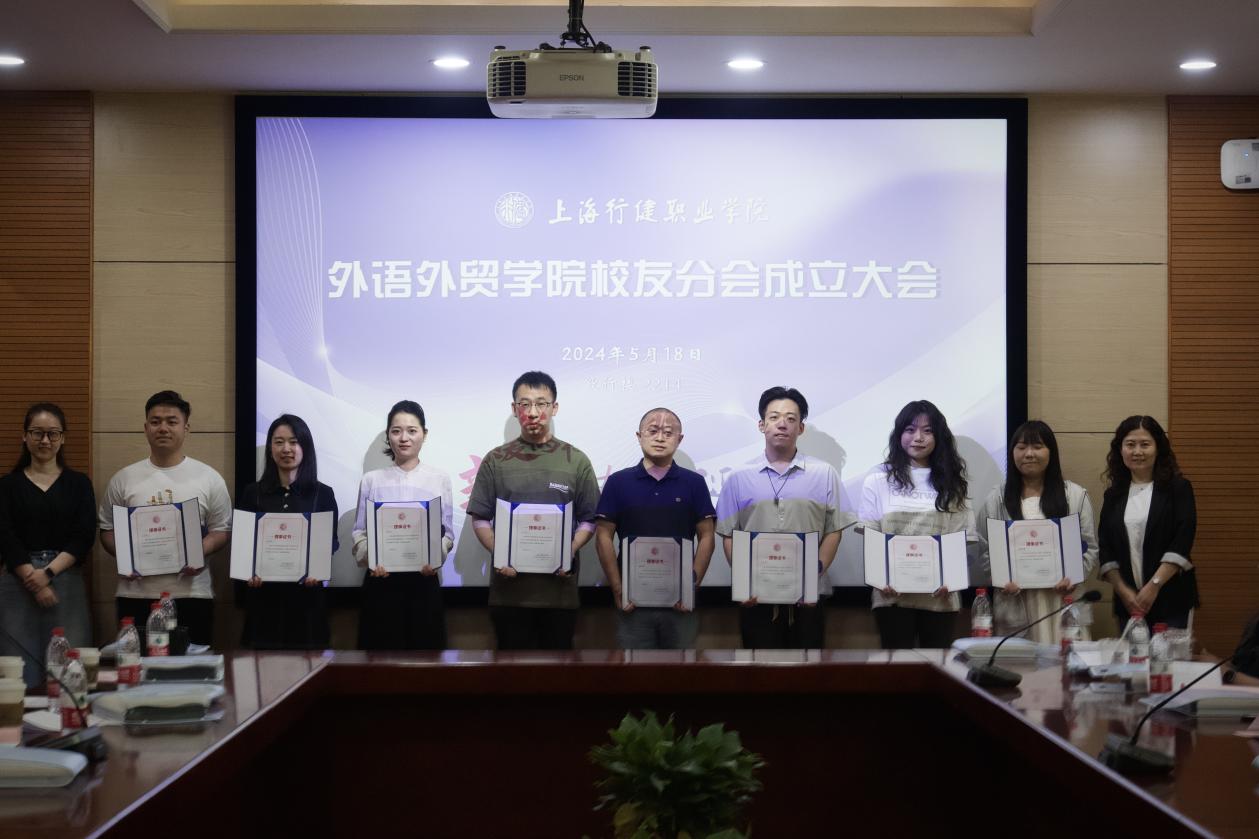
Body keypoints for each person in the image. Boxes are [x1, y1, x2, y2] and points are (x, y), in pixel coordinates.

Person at [467, 371, 600, 650]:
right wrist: (500, 554)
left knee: (558, 671)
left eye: (541, 403)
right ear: (514, 408)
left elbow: (589, 520)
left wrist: (568, 550)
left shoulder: (576, 460)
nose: (533, 412)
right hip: (509, 595)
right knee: (512, 672)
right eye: (525, 404)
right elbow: (480, 518)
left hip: (560, 595)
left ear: (555, 407)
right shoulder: (495, 460)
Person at [99, 390, 232, 648]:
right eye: (156, 421)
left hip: (192, 594)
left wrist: (197, 552)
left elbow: (221, 530)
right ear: (146, 428)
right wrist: (126, 556)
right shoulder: (124, 479)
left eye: (172, 421)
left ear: (186, 428)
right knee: (135, 666)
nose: (163, 428)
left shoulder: (209, 478)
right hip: (135, 595)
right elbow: (106, 529)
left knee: (192, 668)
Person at [715, 387, 844, 649]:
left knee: (808, 668)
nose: (782, 424)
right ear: (761, 425)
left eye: (791, 418)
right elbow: (729, 534)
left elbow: (834, 530)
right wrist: (743, 580)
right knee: (760, 670)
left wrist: (813, 575)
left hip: (808, 596)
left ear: (801, 428)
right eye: (774, 417)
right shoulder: (738, 476)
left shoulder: (824, 473)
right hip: (756, 596)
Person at [595, 408, 716, 649]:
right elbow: (603, 536)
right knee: (635, 669)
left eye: (668, 433)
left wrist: (691, 587)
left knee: (681, 668)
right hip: (632, 603)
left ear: (679, 439)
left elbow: (707, 536)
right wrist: (618, 589)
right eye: (653, 431)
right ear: (639, 436)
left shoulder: (694, 482)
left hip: (680, 603)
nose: (660, 438)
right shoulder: (618, 482)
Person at [859, 399, 974, 649]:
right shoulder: (878, 478)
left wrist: (951, 579)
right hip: (891, 596)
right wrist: (881, 579)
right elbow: (871, 535)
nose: (918, 438)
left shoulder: (953, 484)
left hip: (941, 596)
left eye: (927, 431)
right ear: (899, 434)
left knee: (937, 668)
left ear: (938, 436)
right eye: (910, 430)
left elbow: (960, 538)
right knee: (897, 668)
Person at [977, 420, 1099, 644]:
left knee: (1064, 660)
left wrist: (1074, 576)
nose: (1029, 454)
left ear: (1051, 452)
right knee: (1021, 662)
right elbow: (986, 549)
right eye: (1022, 447)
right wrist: (1000, 578)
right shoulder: (996, 499)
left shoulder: (1075, 496)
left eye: (1037, 446)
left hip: (1062, 599)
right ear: (1012, 453)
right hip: (1016, 601)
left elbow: (1089, 546)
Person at [0, 403, 95, 688]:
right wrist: (34, 579)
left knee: (69, 671)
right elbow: (5, 536)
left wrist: (48, 573)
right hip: (18, 581)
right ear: (24, 436)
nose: (45, 440)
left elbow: (84, 536)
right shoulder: (7, 485)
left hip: (65, 579)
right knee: (18, 672)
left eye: (53, 433)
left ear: (62, 438)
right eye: (37, 433)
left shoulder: (79, 483)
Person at [352, 400, 453, 650]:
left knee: (425, 662)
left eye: (412, 430)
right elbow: (359, 533)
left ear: (424, 434)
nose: (404, 438)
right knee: (379, 662)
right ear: (388, 435)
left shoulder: (439, 479)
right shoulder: (371, 480)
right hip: (381, 585)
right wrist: (372, 559)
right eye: (396, 431)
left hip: (424, 584)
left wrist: (435, 557)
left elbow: (448, 534)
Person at [237, 414, 339, 650]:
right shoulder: (253, 493)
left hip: (307, 604)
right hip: (264, 602)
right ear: (270, 448)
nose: (286, 449)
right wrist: (248, 571)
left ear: (305, 447)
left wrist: (318, 568)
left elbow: (331, 542)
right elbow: (244, 545)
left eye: (294, 442)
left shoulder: (323, 494)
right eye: (279, 442)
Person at [1097, 415, 1197, 629]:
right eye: (1130, 444)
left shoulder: (1178, 489)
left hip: (1171, 598)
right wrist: (1123, 590)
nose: (1137, 451)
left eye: (1145, 444)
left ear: (1158, 448)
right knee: (1131, 652)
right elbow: (1105, 547)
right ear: (1120, 449)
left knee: (1168, 652)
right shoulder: (1113, 495)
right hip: (1128, 602)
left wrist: (1154, 586)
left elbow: (1182, 541)